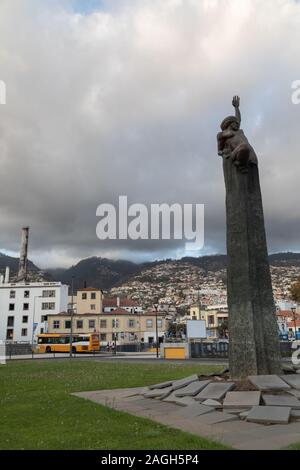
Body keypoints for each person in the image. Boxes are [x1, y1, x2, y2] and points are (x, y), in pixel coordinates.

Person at [217, 96, 258, 172]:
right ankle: (239, 164)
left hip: (247, 153)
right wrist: (221, 151)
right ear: (230, 124)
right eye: (235, 123)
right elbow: (219, 146)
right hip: (235, 154)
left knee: (245, 148)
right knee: (243, 147)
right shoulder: (223, 134)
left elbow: (238, 119)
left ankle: (244, 164)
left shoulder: (238, 132)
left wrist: (236, 107)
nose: (237, 124)